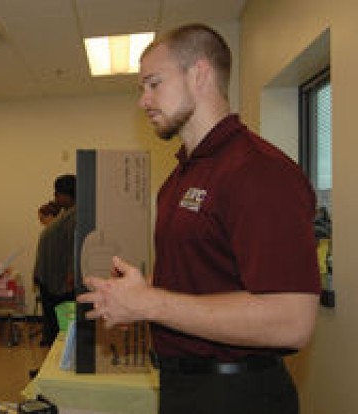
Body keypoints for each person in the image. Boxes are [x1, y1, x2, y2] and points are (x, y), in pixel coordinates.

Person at [77, 24, 321, 414]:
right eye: (141, 88)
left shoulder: (258, 171)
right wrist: (133, 299)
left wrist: (152, 304)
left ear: (200, 74)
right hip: (182, 387)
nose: (143, 101)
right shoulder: (179, 179)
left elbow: (293, 320)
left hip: (239, 394)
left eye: (154, 84)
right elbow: (201, 278)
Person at [33, 174, 76, 347]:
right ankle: (50, 364)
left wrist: (71, 274)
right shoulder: (66, 214)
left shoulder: (76, 215)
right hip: (50, 279)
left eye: (57, 193)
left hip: (60, 283)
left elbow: (75, 246)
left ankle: (58, 365)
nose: (55, 197)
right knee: (52, 326)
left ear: (67, 195)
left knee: (59, 328)